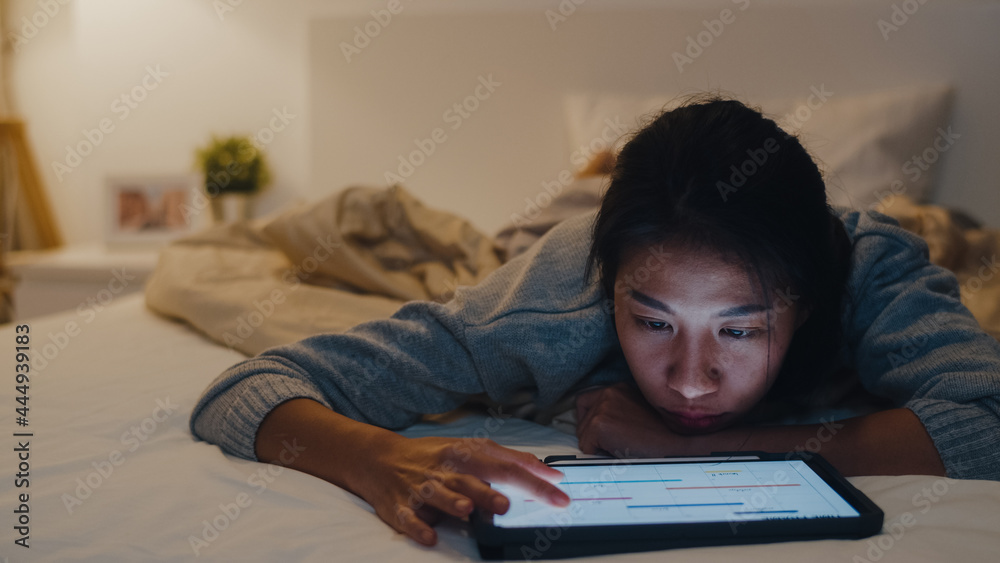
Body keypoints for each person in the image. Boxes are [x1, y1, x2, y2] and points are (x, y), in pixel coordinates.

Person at [190, 95, 1000, 547]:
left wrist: (687, 448)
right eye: (651, 322)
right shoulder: (552, 304)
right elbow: (248, 386)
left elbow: (988, 419)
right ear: (610, 296)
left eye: (740, 330)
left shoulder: (870, 273)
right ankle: (590, 184)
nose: (689, 376)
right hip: (573, 234)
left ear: (809, 303)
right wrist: (381, 459)